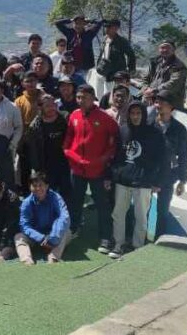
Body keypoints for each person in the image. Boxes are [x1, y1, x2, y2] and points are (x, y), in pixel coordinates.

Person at [63, 85, 119, 253]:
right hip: (77, 169)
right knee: (76, 202)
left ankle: (106, 237)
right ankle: (73, 229)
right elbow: (68, 139)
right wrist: (71, 155)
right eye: (79, 97)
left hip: (97, 171)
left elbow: (115, 141)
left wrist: (102, 159)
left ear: (93, 98)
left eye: (85, 97)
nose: (81, 100)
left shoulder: (104, 117)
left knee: (102, 204)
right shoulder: (74, 115)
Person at [110, 101, 166, 258]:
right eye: (132, 113)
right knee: (118, 214)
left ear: (143, 114)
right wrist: (115, 174)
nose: (135, 116)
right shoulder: (122, 131)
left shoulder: (154, 133)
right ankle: (118, 244)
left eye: (138, 113)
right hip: (123, 180)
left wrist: (157, 182)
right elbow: (116, 155)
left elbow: (162, 159)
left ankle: (137, 247)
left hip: (143, 182)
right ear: (128, 114)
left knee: (141, 217)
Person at [154, 90, 187, 237]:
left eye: (163, 102)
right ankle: (138, 236)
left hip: (168, 176)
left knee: (162, 210)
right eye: (157, 101)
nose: (158, 105)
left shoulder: (180, 129)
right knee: (143, 208)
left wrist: (182, 180)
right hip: (149, 174)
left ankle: (159, 238)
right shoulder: (149, 124)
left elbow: (183, 155)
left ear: (171, 107)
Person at [15, 172, 71, 265]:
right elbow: (24, 226)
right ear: (30, 187)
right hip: (36, 237)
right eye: (34, 185)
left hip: (53, 235)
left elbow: (64, 217)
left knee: (66, 232)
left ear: (47, 186)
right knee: (18, 237)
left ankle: (53, 258)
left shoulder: (56, 198)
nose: (38, 188)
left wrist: (53, 238)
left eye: (41, 185)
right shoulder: (26, 203)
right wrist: (41, 238)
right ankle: (27, 260)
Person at [25, 95, 71, 202]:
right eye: (47, 106)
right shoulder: (35, 126)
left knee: (67, 194)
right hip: (46, 166)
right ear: (41, 108)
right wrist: (37, 168)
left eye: (53, 105)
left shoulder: (65, 119)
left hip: (65, 164)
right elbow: (32, 150)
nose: (51, 108)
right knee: (48, 194)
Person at [145, 42, 187, 110]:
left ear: (173, 50)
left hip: (170, 104)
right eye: (162, 48)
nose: (165, 50)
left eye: (168, 47)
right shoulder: (155, 62)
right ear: (159, 50)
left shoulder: (178, 66)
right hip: (151, 99)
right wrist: (146, 89)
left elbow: (174, 83)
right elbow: (146, 78)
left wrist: (154, 91)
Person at [95, 20, 136, 85]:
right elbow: (101, 55)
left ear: (116, 29)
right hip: (106, 73)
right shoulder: (104, 40)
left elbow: (131, 55)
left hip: (118, 75)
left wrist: (130, 71)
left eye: (109, 27)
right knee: (106, 93)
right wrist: (98, 67)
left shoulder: (122, 41)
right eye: (106, 27)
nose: (106, 29)